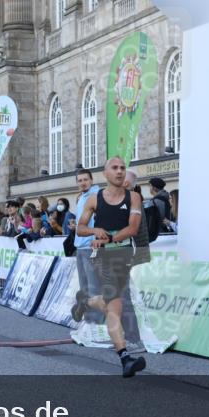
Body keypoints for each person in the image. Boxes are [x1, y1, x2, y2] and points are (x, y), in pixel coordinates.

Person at [73, 157, 147, 377]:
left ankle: (85, 301)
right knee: (116, 306)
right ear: (105, 174)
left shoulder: (134, 197)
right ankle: (125, 356)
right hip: (103, 258)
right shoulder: (94, 200)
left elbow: (133, 229)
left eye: (123, 168)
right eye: (114, 168)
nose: (119, 171)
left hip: (123, 255)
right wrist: (95, 232)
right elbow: (80, 228)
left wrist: (109, 239)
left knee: (109, 304)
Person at [70, 168, 102, 323]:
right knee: (84, 287)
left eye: (85, 180)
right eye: (80, 180)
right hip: (81, 246)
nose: (83, 183)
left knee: (94, 286)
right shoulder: (82, 197)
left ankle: (96, 322)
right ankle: (89, 321)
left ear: (91, 180)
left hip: (91, 247)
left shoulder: (97, 195)